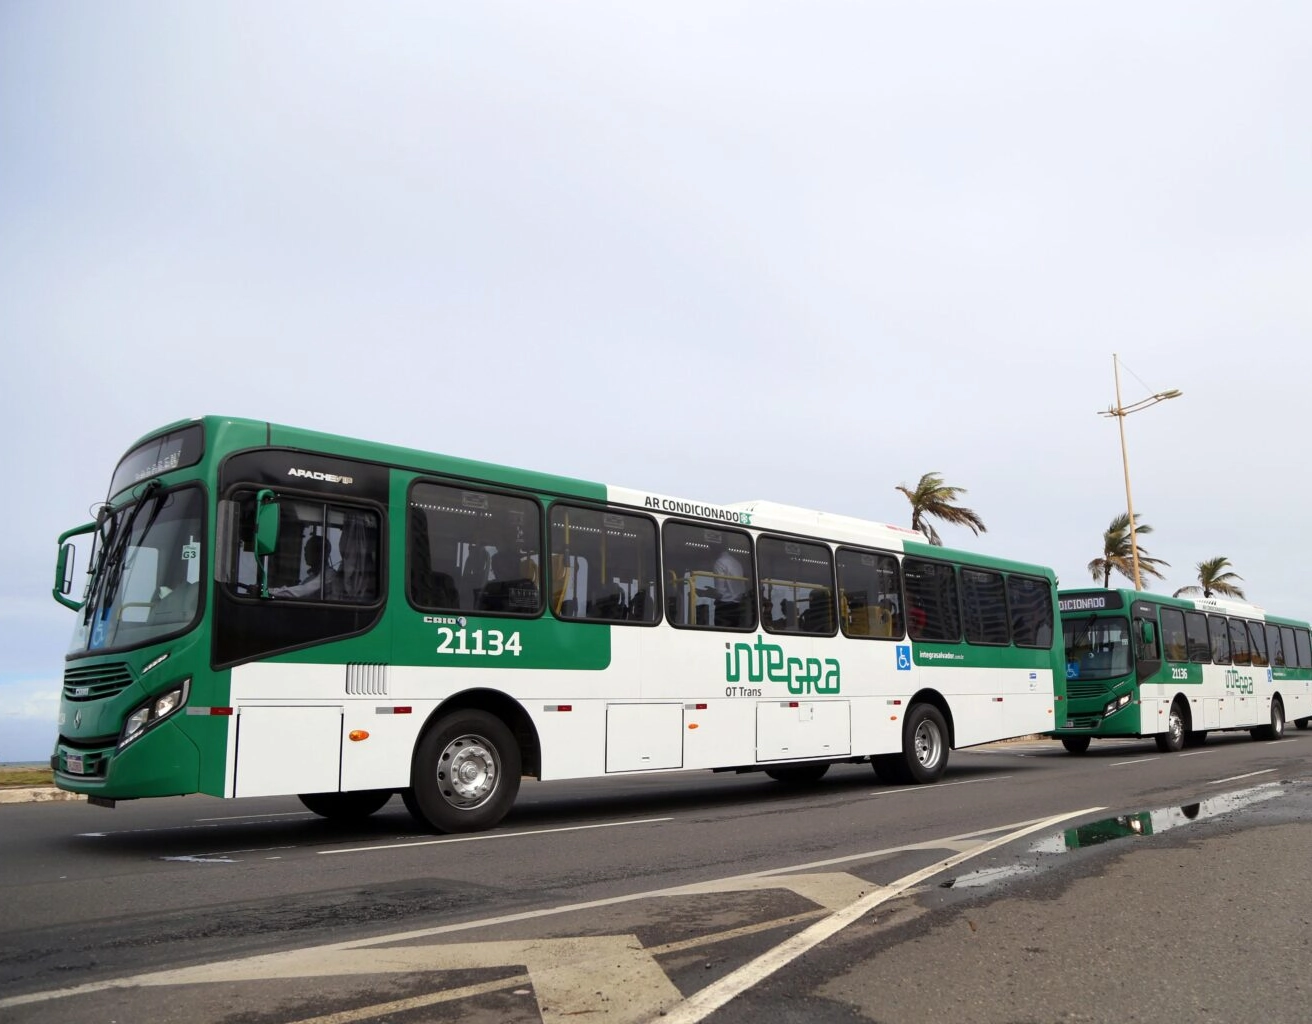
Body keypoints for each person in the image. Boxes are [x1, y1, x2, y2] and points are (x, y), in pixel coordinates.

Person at [273, 533, 338, 599]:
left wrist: (271, 592)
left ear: (320, 553)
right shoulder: (310, 578)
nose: (305, 554)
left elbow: (302, 592)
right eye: (305, 550)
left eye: (309, 550)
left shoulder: (329, 575)